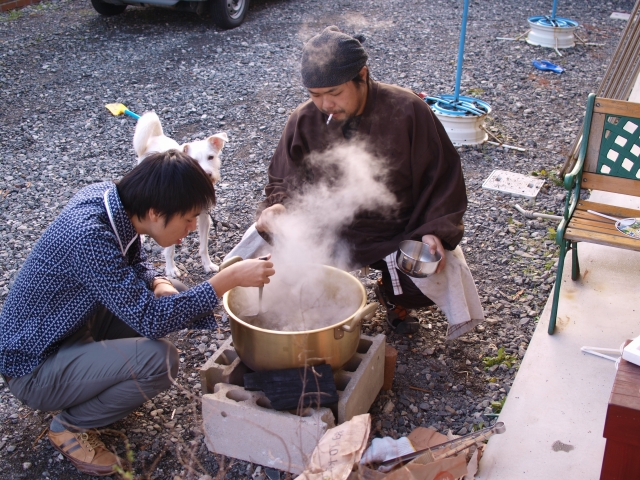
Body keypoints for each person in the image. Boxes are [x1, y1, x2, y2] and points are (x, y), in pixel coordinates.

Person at [0, 150, 274, 477]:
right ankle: (70, 427)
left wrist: (158, 281)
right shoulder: (90, 235)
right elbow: (153, 320)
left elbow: (134, 262)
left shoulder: (113, 202)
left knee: (164, 288)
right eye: (188, 219)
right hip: (33, 365)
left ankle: (94, 381)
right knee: (160, 361)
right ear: (156, 212)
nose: (189, 230)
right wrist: (223, 282)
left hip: (66, 327)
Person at [254, 26, 468, 335]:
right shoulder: (304, 119)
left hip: (396, 232)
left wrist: (434, 230)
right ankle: (305, 304)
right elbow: (284, 176)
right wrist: (279, 207)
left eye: (335, 93)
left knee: (435, 273)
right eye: (315, 95)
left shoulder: (408, 110)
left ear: (363, 75)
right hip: (324, 228)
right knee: (261, 253)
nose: (326, 105)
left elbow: (443, 174)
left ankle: (394, 296)